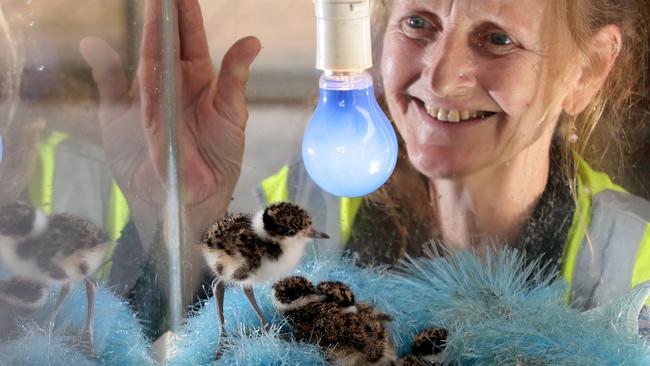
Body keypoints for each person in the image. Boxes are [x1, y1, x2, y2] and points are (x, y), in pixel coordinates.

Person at [79, 0, 649, 333]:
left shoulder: (638, 262)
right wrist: (174, 224)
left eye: (496, 39)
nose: (441, 78)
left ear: (589, 70)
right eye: (419, 23)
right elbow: (153, 349)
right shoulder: (291, 214)